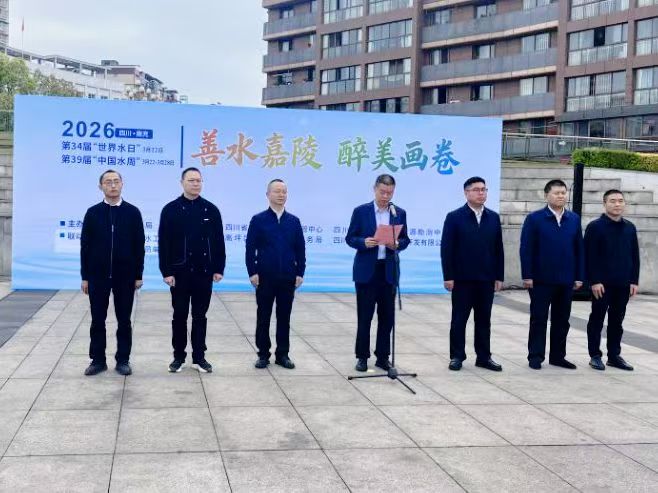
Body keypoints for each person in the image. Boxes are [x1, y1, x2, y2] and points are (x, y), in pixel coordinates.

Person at [158, 167, 225, 374]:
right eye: (191, 180)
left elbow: (218, 242)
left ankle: (199, 357)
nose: (195, 184)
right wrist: (166, 271)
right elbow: (164, 243)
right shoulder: (170, 209)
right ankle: (178, 357)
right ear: (182, 183)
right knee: (179, 315)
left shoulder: (210, 210)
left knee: (200, 316)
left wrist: (218, 268)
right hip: (179, 273)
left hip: (204, 272)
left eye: (198, 180)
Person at [80, 170, 145, 376]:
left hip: (125, 276)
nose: (113, 185)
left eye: (116, 181)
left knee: (124, 320)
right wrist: (85, 276)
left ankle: (123, 360)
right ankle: (97, 360)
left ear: (122, 184)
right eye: (108, 182)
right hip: (97, 276)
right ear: (101, 187)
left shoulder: (133, 212)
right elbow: (85, 247)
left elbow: (139, 246)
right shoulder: (93, 213)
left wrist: (138, 275)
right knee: (97, 320)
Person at [346, 174, 410, 372]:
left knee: (387, 318)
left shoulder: (398, 213)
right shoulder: (361, 211)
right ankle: (362, 357)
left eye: (389, 193)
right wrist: (363, 242)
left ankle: (383, 357)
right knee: (365, 317)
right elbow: (350, 238)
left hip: (388, 271)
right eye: (382, 192)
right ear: (374, 189)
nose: (385, 196)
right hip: (367, 272)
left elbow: (406, 239)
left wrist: (397, 244)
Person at [441, 176, 504, 372]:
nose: (481, 193)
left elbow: (498, 249)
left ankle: (484, 357)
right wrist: (448, 276)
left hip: (486, 278)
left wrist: (499, 276)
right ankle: (457, 356)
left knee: (484, 320)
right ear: (466, 192)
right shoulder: (454, 217)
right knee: (459, 320)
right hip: (462, 279)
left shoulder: (493, 217)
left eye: (484, 189)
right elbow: (447, 249)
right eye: (476, 189)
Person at [520, 179, 584, 370]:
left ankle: (558, 356)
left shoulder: (573, 219)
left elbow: (579, 249)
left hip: (566, 279)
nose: (561, 196)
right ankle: (535, 356)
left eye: (563, 193)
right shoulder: (535, 219)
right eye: (557, 193)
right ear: (546, 195)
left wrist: (579, 276)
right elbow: (526, 248)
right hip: (541, 280)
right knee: (538, 319)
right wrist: (527, 275)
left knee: (562, 320)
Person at [246, 179, 305, 370]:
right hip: (264, 277)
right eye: (277, 191)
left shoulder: (294, 221)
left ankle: (283, 354)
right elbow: (250, 248)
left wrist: (300, 272)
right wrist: (252, 272)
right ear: (268, 194)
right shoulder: (258, 220)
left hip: (287, 277)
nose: (281, 195)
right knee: (263, 316)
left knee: (284, 317)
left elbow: (300, 249)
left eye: (284, 192)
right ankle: (263, 354)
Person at [585, 189, 640, 371]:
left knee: (617, 321)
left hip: (623, 284)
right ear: (604, 204)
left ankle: (614, 356)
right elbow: (590, 256)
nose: (617, 204)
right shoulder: (595, 227)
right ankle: (595, 355)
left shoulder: (630, 227)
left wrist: (634, 281)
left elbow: (635, 256)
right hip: (602, 284)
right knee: (597, 319)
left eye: (620, 201)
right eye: (613, 201)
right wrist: (594, 281)